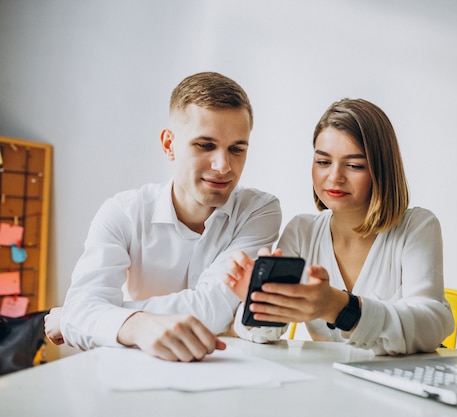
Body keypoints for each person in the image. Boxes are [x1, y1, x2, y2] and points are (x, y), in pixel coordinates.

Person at [44, 72, 281, 362]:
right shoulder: (123, 212)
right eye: (205, 145)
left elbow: (213, 309)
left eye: (236, 149)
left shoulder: (260, 210)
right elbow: (82, 307)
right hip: (138, 371)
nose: (223, 166)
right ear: (169, 145)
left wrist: (94, 317)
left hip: (225, 372)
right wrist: (136, 325)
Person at [226, 98, 454, 355]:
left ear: (382, 170)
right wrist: (259, 302)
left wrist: (339, 307)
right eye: (323, 162)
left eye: (355, 165)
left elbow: (432, 324)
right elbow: (257, 334)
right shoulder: (302, 230)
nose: (334, 177)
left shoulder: (417, 227)